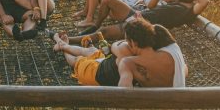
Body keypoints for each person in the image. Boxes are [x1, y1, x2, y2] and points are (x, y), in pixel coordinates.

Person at [53, 18, 187, 87]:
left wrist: (115, 46)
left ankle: (64, 47)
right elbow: (185, 69)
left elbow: (124, 91)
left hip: (96, 74)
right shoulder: (167, 56)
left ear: (133, 43)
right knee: (91, 51)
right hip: (105, 62)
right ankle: (64, 45)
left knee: (78, 60)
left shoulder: (128, 59)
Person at [70, 0, 210, 41]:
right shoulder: (176, 5)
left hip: (141, 24)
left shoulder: (188, 12)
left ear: (192, 1)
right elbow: (150, 6)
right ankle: (95, 24)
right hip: (137, 14)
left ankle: (70, 41)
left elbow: (205, 1)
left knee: (103, 33)